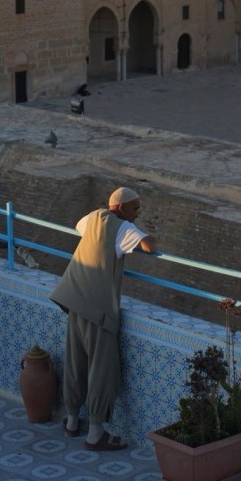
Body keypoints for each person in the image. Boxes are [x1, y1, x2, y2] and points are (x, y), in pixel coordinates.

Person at [50, 186, 157, 450]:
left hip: (74, 298)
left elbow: (80, 228)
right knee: (101, 368)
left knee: (76, 361)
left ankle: (72, 422)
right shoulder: (122, 228)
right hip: (98, 308)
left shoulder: (92, 217)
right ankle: (95, 434)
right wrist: (145, 234)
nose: (137, 213)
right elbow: (148, 246)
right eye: (135, 208)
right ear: (121, 208)